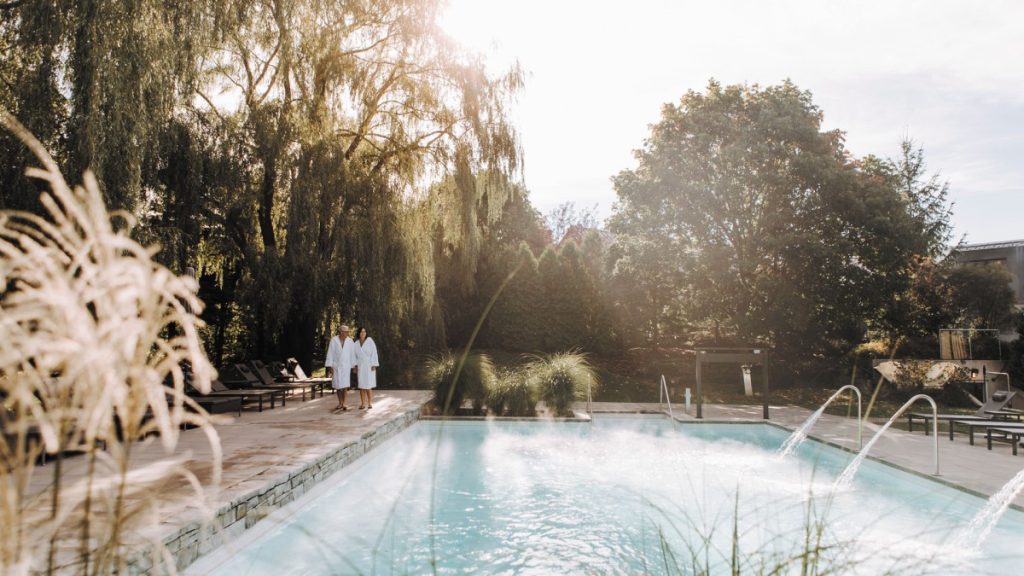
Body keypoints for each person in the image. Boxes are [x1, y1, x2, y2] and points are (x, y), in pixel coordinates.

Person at [325, 324, 357, 412]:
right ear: (340, 332)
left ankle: (345, 403)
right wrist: (330, 366)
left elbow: (352, 354)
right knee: (338, 386)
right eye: (344, 331)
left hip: (346, 365)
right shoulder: (334, 340)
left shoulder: (350, 341)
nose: (345, 333)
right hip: (336, 366)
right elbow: (330, 353)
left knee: (345, 385)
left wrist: (354, 366)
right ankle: (340, 402)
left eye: (347, 332)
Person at [354, 326, 379, 409]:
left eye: (364, 331)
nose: (363, 333)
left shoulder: (370, 341)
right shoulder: (356, 343)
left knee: (368, 385)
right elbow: (354, 356)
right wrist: (355, 366)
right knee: (361, 385)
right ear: (359, 333)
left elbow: (374, 352)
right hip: (360, 366)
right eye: (361, 332)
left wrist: (374, 364)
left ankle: (369, 403)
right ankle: (362, 403)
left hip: (369, 365)